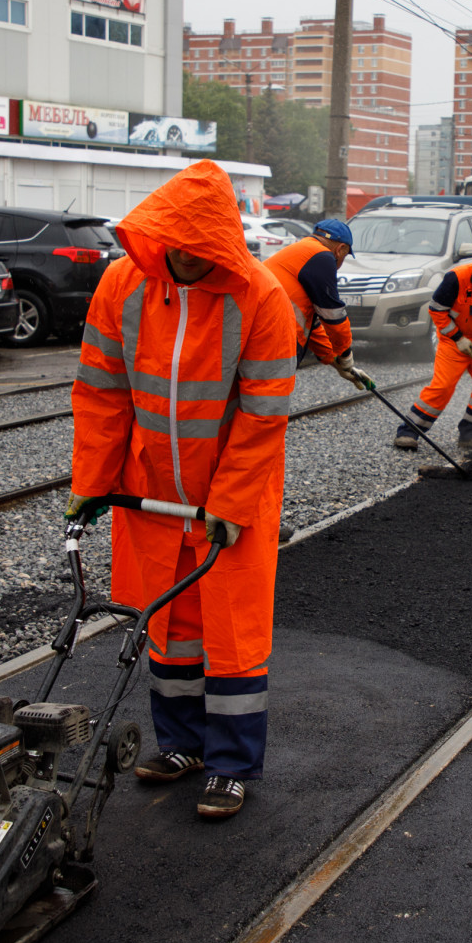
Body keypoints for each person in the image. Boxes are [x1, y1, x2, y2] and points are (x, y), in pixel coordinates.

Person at [66, 161, 299, 820]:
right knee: (169, 626)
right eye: (173, 244)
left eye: (197, 249)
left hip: (232, 497)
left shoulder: (261, 299)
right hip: (152, 493)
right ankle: (182, 746)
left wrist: (227, 504)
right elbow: (102, 394)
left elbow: (262, 417)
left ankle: (231, 765)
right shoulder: (123, 285)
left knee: (232, 631)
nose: (182, 257)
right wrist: (92, 483)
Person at [395, 242, 472, 451]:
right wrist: (458, 337)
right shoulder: (457, 278)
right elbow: (436, 310)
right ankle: (409, 431)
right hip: (454, 341)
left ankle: (470, 434)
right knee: (443, 386)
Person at [264, 217, 375, 390]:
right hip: (272, 338)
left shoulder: (302, 253)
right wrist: (345, 354)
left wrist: (336, 361)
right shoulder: (322, 256)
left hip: (265, 331)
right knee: (267, 404)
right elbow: (333, 315)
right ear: (341, 249)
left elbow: (312, 325)